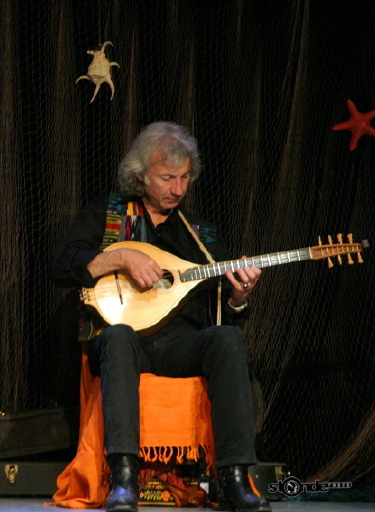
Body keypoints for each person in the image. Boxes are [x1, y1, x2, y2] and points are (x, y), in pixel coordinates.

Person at [48, 122, 270, 512]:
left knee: (227, 339)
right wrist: (119, 256)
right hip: (122, 344)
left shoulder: (198, 235)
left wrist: (238, 297)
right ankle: (124, 479)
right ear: (141, 175)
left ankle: (235, 478)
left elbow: (215, 314)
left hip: (178, 346)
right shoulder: (106, 214)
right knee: (118, 335)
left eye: (185, 177)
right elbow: (62, 268)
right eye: (168, 178)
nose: (179, 189)